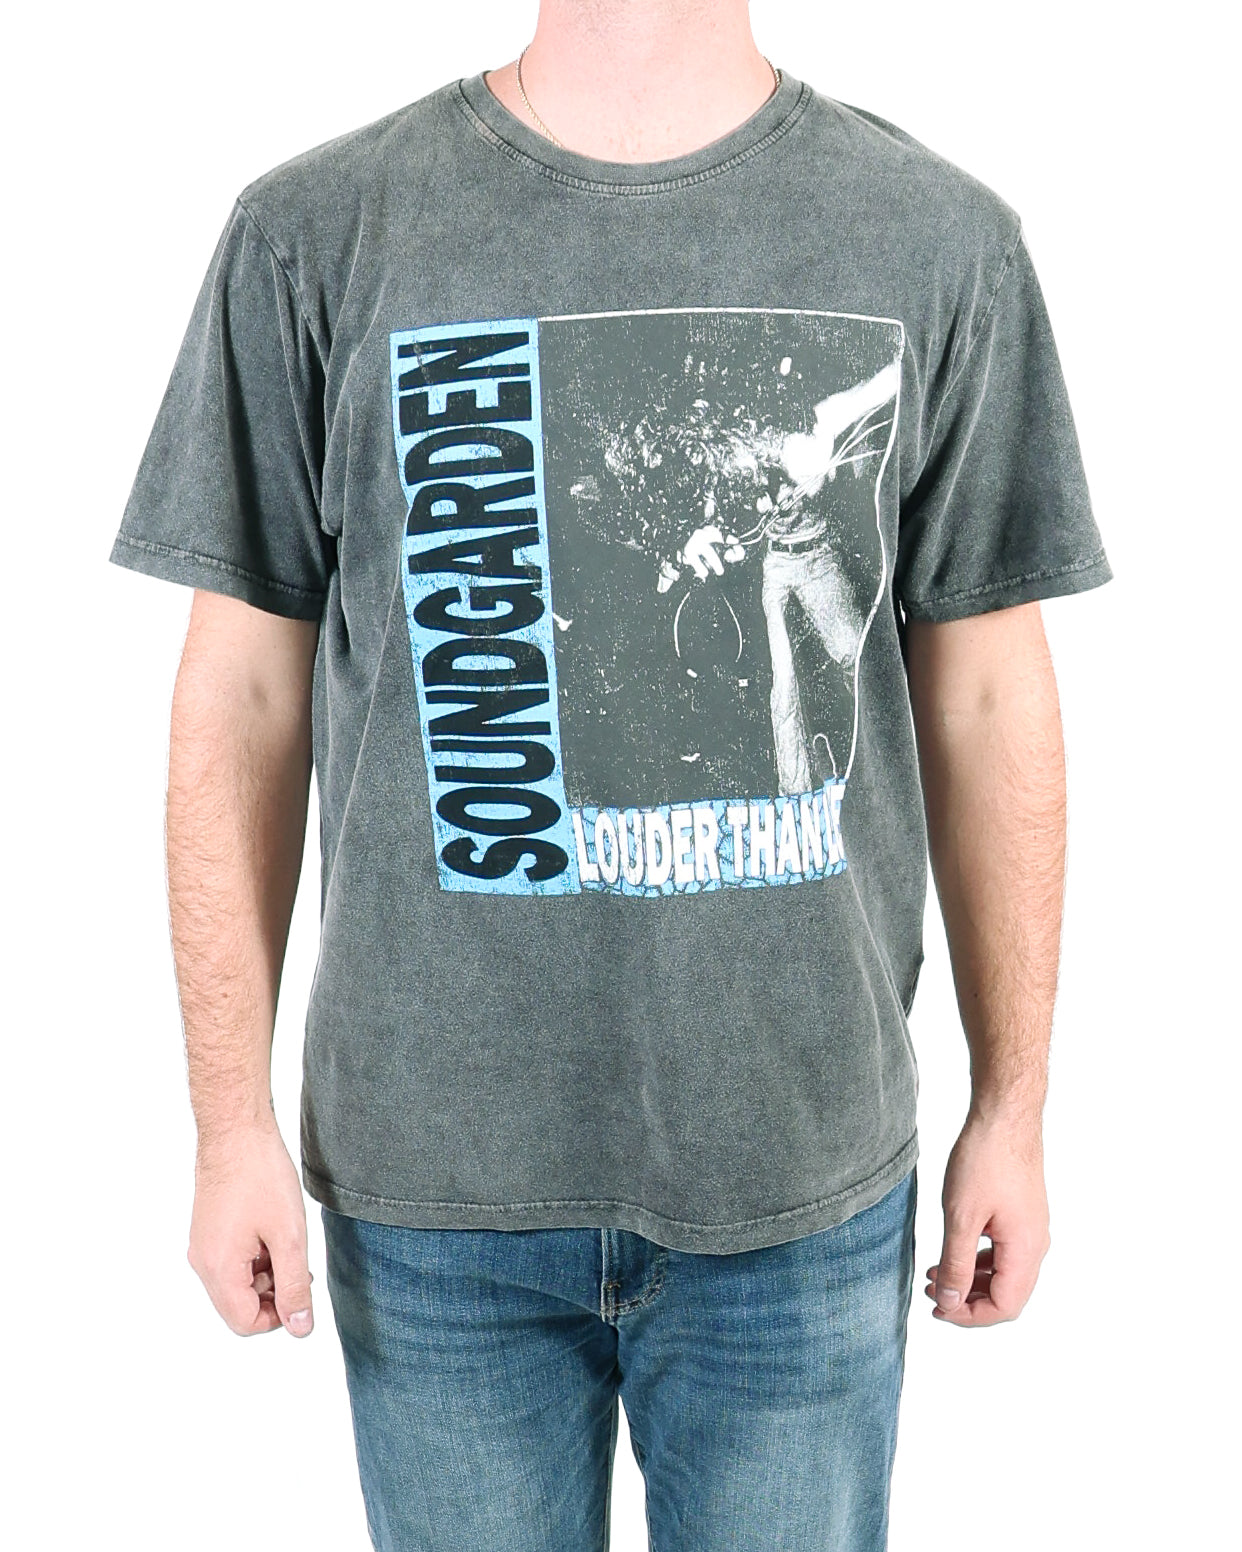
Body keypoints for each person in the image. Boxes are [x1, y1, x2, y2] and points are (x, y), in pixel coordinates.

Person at [108, 2, 1111, 1547]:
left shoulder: (935, 237)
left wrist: (1015, 1108)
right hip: (432, 1185)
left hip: (799, 1165)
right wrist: (226, 1124)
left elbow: (988, 696)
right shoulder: (317, 232)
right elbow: (236, 698)